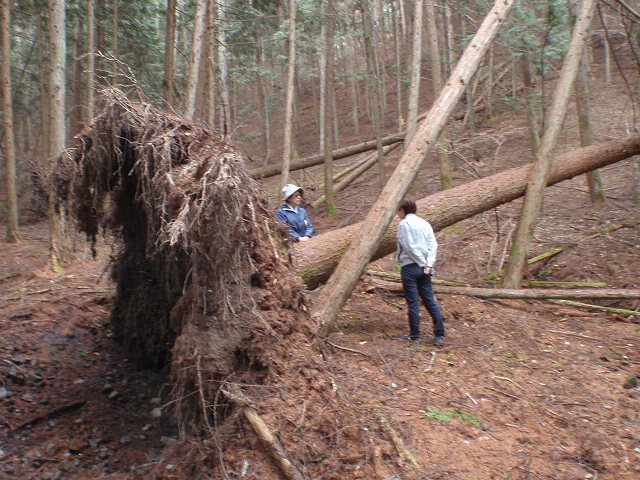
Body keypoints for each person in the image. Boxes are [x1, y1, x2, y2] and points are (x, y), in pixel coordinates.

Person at [396, 198, 445, 346]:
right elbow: (433, 245)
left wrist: (423, 263)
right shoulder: (425, 224)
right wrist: (428, 265)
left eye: (398, 210)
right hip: (425, 269)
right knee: (430, 301)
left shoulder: (404, 224)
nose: (397, 213)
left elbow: (409, 247)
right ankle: (439, 334)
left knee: (413, 303)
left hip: (411, 267)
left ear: (403, 210)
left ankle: (415, 336)